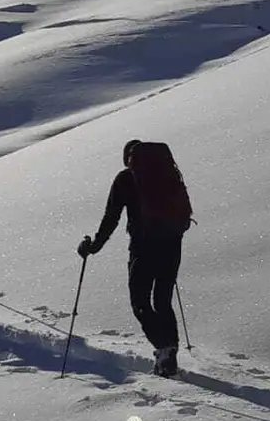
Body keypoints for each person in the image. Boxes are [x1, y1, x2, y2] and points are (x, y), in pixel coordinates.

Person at [78, 139, 193, 377]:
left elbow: (111, 217)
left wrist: (93, 246)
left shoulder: (125, 179)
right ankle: (169, 353)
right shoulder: (167, 174)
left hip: (143, 247)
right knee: (163, 301)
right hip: (172, 244)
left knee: (140, 302)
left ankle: (164, 349)